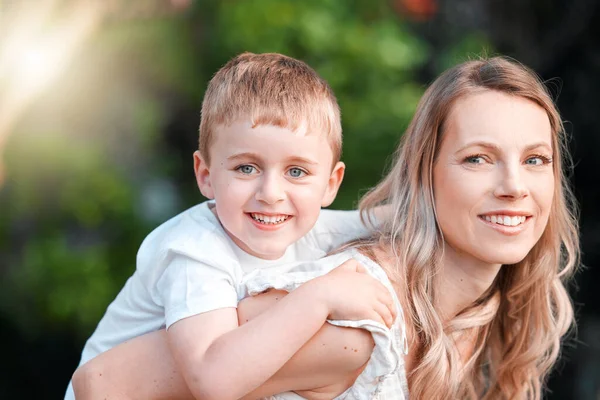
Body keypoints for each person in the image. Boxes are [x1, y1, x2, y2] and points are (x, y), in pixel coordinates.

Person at [73, 56, 579, 399]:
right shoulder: (350, 323)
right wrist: (316, 300)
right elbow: (101, 382)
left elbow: (377, 217)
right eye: (478, 159)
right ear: (424, 176)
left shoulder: (466, 313)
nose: (514, 186)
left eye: (536, 160)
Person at [65, 52, 401, 400]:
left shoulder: (308, 226)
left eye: (296, 172)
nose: (271, 194)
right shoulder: (194, 252)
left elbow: (398, 219)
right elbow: (213, 380)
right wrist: (320, 297)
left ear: (331, 184)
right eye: (246, 168)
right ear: (206, 176)